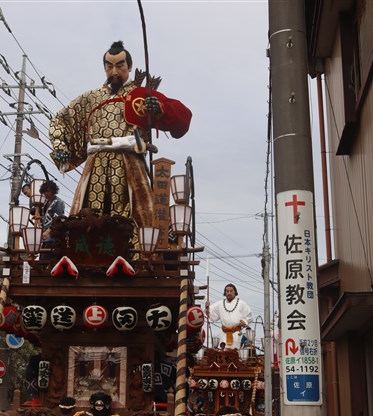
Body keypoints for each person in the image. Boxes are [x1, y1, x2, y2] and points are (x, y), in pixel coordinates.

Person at [49, 40, 192, 243]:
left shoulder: (141, 96)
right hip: (95, 165)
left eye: (120, 66)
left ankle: (134, 257)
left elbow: (183, 116)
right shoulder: (91, 98)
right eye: (109, 66)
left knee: (132, 219)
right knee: (88, 218)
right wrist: (61, 146)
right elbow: (60, 120)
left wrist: (160, 108)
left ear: (129, 67)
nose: (114, 71)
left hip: (129, 164)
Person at [205, 283, 252, 349]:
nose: (229, 293)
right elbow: (212, 315)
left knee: (236, 354)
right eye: (227, 291)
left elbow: (249, 316)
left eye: (231, 291)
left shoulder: (242, 304)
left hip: (236, 334)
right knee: (224, 354)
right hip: (224, 335)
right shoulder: (220, 304)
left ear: (235, 292)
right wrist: (207, 308)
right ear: (225, 293)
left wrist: (244, 321)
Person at [40, 180, 65, 258]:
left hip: (53, 235)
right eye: (44, 192)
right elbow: (48, 217)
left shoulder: (58, 202)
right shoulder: (46, 203)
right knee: (42, 257)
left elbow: (57, 219)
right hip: (46, 236)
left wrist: (47, 231)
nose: (45, 193)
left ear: (53, 190)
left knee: (46, 258)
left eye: (47, 191)